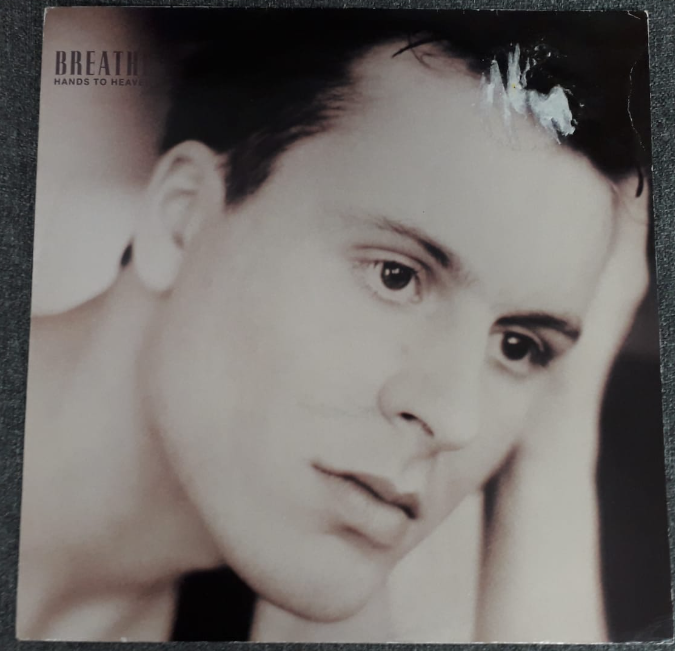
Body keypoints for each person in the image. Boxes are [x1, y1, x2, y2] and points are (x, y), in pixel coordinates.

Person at [17, 9, 652, 643]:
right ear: (181, 218)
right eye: (396, 277)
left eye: (519, 346)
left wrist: (559, 432)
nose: (454, 419)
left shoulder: (329, 565)